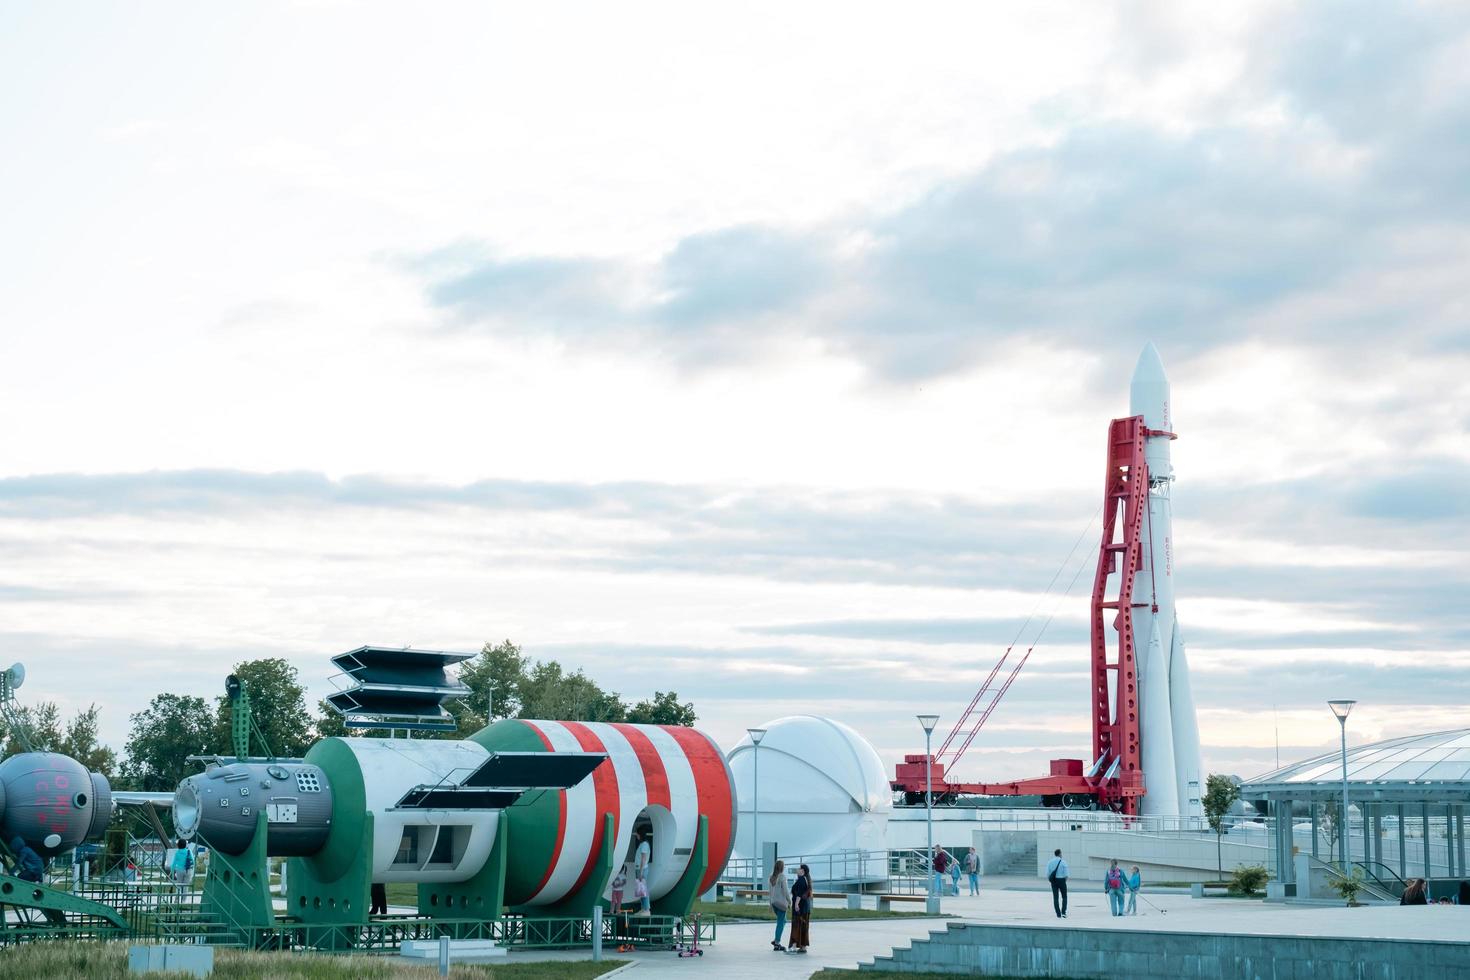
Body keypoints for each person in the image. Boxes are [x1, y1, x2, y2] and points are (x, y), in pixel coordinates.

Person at [788, 863, 812, 954]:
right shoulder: (806, 880)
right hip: (805, 907)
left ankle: (794, 945)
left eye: (799, 868)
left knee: (796, 925)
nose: (797, 870)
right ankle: (803, 946)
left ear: (803, 871)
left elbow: (799, 894)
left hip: (800, 908)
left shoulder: (801, 880)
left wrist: (796, 904)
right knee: (803, 926)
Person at [768, 859, 790, 951]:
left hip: (774, 903)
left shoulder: (771, 877)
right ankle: (777, 942)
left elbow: (770, 891)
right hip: (781, 903)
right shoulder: (782, 877)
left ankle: (776, 940)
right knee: (780, 922)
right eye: (784, 866)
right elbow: (785, 890)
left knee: (783, 920)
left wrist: (770, 903)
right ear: (781, 867)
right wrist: (789, 901)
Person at [1045, 848, 1069, 918]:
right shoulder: (1063, 862)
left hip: (1054, 881)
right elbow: (1066, 875)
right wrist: (1064, 881)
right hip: (1062, 880)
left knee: (1055, 897)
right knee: (1064, 897)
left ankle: (1058, 914)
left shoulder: (1050, 862)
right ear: (1060, 854)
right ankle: (1063, 912)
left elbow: (1047, 874)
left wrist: (1052, 881)